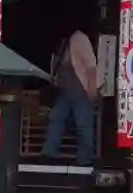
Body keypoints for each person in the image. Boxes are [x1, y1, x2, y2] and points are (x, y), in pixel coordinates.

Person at [40, 28, 101, 168]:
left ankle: (84, 159)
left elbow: (91, 66)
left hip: (80, 90)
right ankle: (49, 153)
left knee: (82, 125)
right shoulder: (62, 43)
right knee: (57, 120)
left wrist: (92, 89)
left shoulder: (79, 38)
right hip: (66, 90)